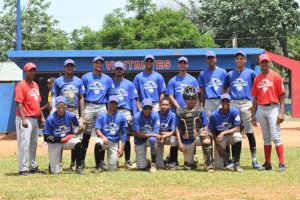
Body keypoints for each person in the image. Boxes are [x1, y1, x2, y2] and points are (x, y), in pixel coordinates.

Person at [223, 50, 260, 169]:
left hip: (246, 103)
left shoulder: (251, 73)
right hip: (233, 103)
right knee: (233, 131)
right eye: (237, 58)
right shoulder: (230, 74)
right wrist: (227, 103)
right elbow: (224, 90)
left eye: (241, 58)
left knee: (249, 131)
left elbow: (257, 90)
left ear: (245, 60)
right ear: (235, 60)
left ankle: (254, 160)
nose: (239, 60)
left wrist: (253, 106)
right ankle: (233, 160)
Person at [251, 53, 286, 172]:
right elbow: (255, 98)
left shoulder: (276, 76)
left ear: (270, 62)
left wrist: (281, 112)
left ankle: (281, 163)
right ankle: (267, 163)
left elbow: (282, 95)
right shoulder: (257, 78)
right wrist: (253, 114)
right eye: (262, 62)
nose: (264, 64)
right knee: (266, 137)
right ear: (260, 63)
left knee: (275, 136)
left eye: (266, 61)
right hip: (261, 108)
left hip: (273, 108)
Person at [51, 59, 85, 171]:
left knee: (75, 136)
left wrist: (82, 115)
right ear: (64, 68)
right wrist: (53, 111)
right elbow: (54, 97)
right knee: (60, 134)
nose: (70, 68)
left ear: (74, 68)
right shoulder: (58, 81)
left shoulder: (79, 81)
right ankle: (58, 162)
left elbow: (81, 98)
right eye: (68, 66)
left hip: (74, 110)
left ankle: (73, 163)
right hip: (62, 111)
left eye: (72, 66)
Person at [81, 56, 113, 171]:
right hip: (89, 105)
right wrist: (83, 112)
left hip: (101, 106)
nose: (99, 65)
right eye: (97, 63)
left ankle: (100, 162)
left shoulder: (108, 79)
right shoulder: (85, 77)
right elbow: (82, 96)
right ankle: (81, 161)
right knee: (86, 133)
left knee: (102, 133)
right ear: (93, 64)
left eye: (101, 63)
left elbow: (110, 97)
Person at [166, 56, 199, 168]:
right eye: (180, 63)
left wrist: (192, 108)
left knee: (191, 131)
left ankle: (192, 157)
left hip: (190, 111)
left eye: (184, 63)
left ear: (187, 65)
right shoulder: (173, 80)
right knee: (176, 133)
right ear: (178, 65)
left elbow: (196, 95)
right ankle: (173, 160)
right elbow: (170, 95)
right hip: (177, 111)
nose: (182, 64)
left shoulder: (193, 79)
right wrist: (179, 107)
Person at [15, 62, 46, 176]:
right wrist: (23, 119)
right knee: (24, 144)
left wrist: (42, 117)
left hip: (34, 119)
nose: (32, 72)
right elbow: (19, 102)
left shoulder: (35, 85)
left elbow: (38, 103)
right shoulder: (21, 85)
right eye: (30, 70)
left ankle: (32, 166)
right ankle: (22, 169)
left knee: (33, 144)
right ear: (25, 71)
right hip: (25, 118)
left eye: (33, 70)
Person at [176, 86, 214, 172]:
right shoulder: (179, 111)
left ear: (196, 99)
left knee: (207, 140)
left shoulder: (200, 110)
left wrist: (205, 131)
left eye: (193, 98)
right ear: (185, 99)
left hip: (197, 137)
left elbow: (206, 124)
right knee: (188, 167)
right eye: (188, 99)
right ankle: (193, 161)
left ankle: (208, 164)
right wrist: (179, 143)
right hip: (186, 139)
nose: (190, 101)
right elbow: (177, 128)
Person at [43, 96, 84, 174]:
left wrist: (75, 132)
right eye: (59, 105)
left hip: (67, 140)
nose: (61, 107)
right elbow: (46, 137)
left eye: (63, 105)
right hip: (55, 142)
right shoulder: (50, 119)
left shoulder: (71, 115)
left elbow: (76, 125)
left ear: (66, 106)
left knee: (78, 143)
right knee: (55, 172)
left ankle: (79, 167)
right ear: (56, 106)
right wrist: (60, 140)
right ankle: (53, 164)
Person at [110, 61, 138, 168]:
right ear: (114, 70)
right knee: (115, 135)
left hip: (126, 111)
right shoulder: (111, 83)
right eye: (116, 69)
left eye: (120, 69)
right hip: (115, 111)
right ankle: (115, 159)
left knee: (126, 137)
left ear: (123, 70)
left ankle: (127, 160)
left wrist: (134, 114)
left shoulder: (129, 84)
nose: (118, 70)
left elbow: (133, 100)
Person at [209, 94, 243, 172]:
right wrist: (218, 147)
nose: (225, 103)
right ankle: (226, 160)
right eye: (223, 101)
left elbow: (237, 128)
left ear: (230, 102)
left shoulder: (234, 111)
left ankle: (236, 163)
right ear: (220, 102)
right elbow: (213, 132)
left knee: (237, 136)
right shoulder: (214, 115)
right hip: (220, 140)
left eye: (227, 101)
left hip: (230, 136)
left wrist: (223, 133)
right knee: (218, 167)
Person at [94, 95, 127, 172]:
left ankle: (112, 162)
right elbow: (97, 129)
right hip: (104, 140)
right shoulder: (102, 115)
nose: (113, 105)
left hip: (114, 143)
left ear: (117, 104)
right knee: (98, 143)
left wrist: (121, 148)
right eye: (111, 103)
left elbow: (124, 133)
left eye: (115, 103)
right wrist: (103, 137)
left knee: (112, 169)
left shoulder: (122, 116)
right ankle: (98, 166)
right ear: (108, 104)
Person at [132, 98, 161, 172]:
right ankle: (146, 162)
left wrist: (153, 135)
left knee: (153, 140)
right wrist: (153, 134)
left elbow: (156, 132)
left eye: (149, 108)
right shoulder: (136, 116)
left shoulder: (155, 115)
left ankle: (153, 162)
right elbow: (138, 134)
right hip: (139, 140)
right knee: (142, 167)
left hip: (150, 139)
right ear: (142, 108)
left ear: (152, 108)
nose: (147, 110)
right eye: (145, 108)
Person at [198, 51, 227, 118]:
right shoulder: (203, 73)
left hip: (221, 100)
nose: (211, 60)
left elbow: (227, 88)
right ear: (206, 60)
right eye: (209, 58)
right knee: (209, 122)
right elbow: (202, 90)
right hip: (209, 101)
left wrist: (226, 100)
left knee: (221, 121)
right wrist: (202, 103)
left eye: (212, 58)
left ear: (215, 59)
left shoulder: (223, 72)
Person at [156, 98, 177, 169]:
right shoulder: (155, 115)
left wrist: (163, 136)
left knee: (174, 139)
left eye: (166, 105)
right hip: (157, 137)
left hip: (166, 137)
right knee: (159, 166)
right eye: (163, 105)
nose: (164, 106)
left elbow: (173, 131)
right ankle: (155, 161)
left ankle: (173, 161)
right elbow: (153, 131)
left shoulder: (173, 115)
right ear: (159, 106)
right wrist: (160, 135)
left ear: (170, 106)